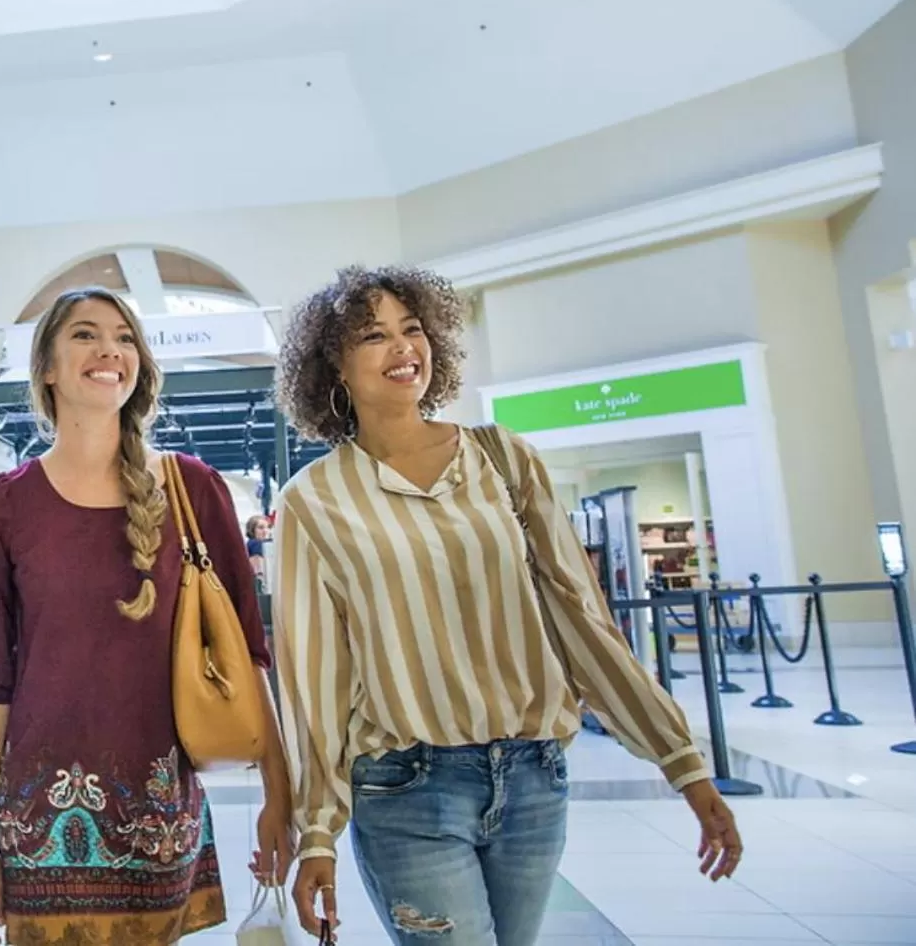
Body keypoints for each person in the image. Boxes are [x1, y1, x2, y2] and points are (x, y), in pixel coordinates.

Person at [271, 265, 744, 946]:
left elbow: (582, 622)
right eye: (373, 336)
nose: (403, 347)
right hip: (407, 787)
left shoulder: (503, 459)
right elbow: (315, 679)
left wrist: (682, 763)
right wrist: (317, 831)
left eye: (412, 329)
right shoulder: (313, 501)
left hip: (533, 776)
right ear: (333, 366)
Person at [0, 288, 293, 946]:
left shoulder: (193, 489)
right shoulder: (3, 505)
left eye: (124, 337)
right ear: (46, 368)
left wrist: (279, 796)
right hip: (36, 820)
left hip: (156, 808)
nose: (110, 349)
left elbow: (246, 655)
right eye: (86, 334)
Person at [244, 514, 270, 587]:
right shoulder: (257, 543)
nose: (265, 531)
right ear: (252, 530)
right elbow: (258, 569)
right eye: (261, 528)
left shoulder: (250, 543)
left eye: (267, 527)